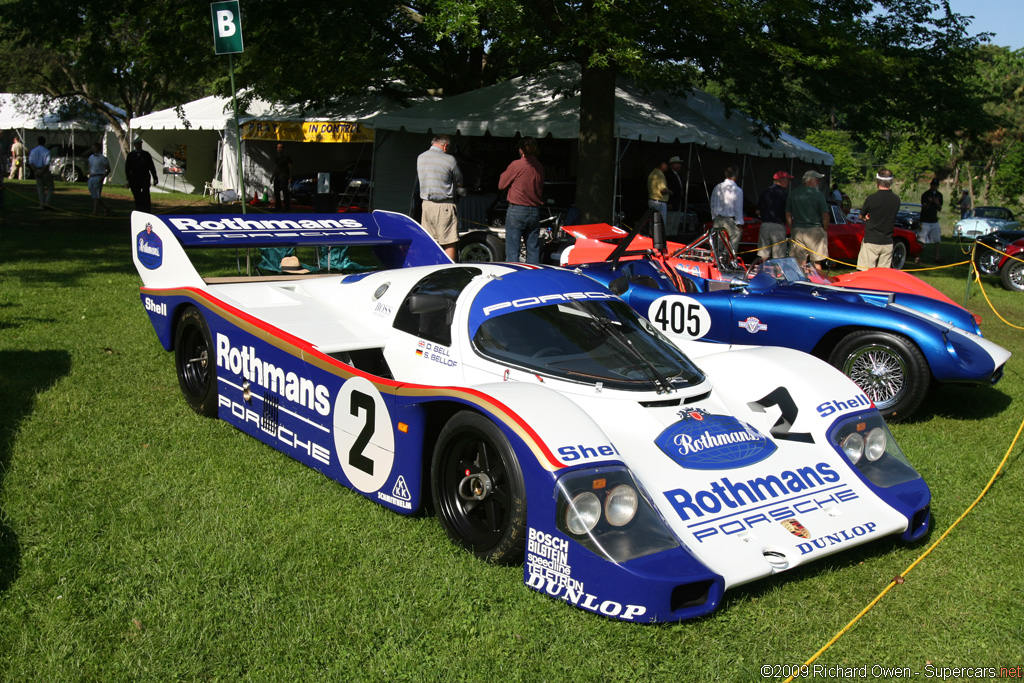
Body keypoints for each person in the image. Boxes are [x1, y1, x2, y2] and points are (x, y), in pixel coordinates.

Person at [498, 136, 544, 264]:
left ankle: (514, 277)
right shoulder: (539, 166)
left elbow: (501, 185)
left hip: (517, 209)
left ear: (521, 149)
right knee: (533, 249)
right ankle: (533, 277)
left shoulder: (517, 164)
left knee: (513, 250)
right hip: (534, 210)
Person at [416, 134, 463, 260]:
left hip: (426, 205)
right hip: (444, 205)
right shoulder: (449, 159)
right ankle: (448, 271)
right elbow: (459, 181)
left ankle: (431, 268)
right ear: (445, 145)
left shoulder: (420, 157)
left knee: (430, 240)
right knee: (449, 241)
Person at [786, 170, 830, 274]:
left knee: (800, 262)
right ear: (811, 180)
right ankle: (819, 283)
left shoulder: (793, 193)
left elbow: (788, 214)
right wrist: (825, 229)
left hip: (798, 230)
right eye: (817, 180)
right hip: (815, 230)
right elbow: (825, 214)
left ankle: (800, 282)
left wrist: (792, 228)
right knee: (816, 262)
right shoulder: (818, 195)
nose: (819, 182)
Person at [857, 169, 901, 270]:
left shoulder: (872, 198)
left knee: (866, 273)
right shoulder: (896, 200)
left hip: (872, 240)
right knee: (883, 276)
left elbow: (861, 216)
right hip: (887, 241)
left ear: (877, 182)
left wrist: (865, 218)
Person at [757, 171, 792, 261]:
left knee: (764, 254)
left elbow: (757, 211)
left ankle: (763, 272)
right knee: (779, 256)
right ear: (782, 180)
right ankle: (777, 274)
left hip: (764, 225)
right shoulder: (784, 195)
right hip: (778, 226)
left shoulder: (764, 192)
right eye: (788, 180)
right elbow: (788, 213)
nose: (789, 183)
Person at [710, 166, 744, 253]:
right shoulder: (737, 190)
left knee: (718, 242)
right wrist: (739, 222)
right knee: (733, 239)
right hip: (729, 219)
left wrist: (714, 217)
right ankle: (728, 260)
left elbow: (712, 203)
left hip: (718, 218)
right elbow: (738, 208)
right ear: (736, 175)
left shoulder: (717, 187)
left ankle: (717, 260)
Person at [125, 139, 159, 212]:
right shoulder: (131, 155)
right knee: (136, 194)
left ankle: (147, 209)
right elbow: (127, 168)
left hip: (144, 176)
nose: (138, 145)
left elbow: (151, 166)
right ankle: (139, 208)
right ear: (134, 145)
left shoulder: (146, 154)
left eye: (140, 144)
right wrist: (128, 178)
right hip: (134, 177)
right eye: (137, 144)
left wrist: (155, 177)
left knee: (146, 193)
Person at [918, 177, 943, 263]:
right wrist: (930, 202)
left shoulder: (939, 195)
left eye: (936, 185)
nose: (934, 186)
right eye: (933, 185)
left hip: (934, 220)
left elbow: (939, 208)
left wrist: (936, 203)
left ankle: (937, 257)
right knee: (922, 240)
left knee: (937, 240)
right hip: (925, 220)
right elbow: (924, 208)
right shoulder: (926, 194)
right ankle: (918, 257)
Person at [27, 136, 54, 209]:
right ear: (44, 142)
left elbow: (30, 162)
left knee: (40, 188)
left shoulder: (33, 151)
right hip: (44, 170)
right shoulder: (47, 151)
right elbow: (47, 163)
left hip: (36, 169)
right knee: (50, 188)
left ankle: (41, 205)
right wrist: (42, 171)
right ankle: (47, 203)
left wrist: (35, 170)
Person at [87, 143, 111, 216]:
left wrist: (103, 177)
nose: (94, 149)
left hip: (98, 176)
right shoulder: (91, 157)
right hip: (92, 177)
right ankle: (105, 208)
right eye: (93, 147)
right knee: (94, 195)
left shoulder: (102, 158)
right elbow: (89, 166)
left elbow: (108, 169)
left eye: (95, 148)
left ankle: (95, 211)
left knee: (97, 195)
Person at [665, 156, 686, 235]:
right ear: (672, 165)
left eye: (679, 163)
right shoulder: (668, 175)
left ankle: (673, 237)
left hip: (678, 202)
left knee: (676, 223)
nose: (679, 165)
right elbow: (668, 189)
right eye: (677, 164)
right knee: (670, 222)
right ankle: (667, 238)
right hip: (672, 202)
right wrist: (669, 202)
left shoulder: (679, 175)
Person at [272, 142, 292, 211]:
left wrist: (290, 177)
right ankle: (278, 206)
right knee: (276, 192)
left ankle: (287, 207)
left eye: (280, 147)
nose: (279, 149)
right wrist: (272, 176)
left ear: (283, 148)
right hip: (277, 176)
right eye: (278, 147)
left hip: (284, 176)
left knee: (285, 192)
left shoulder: (287, 157)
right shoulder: (277, 157)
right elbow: (275, 167)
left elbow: (290, 167)